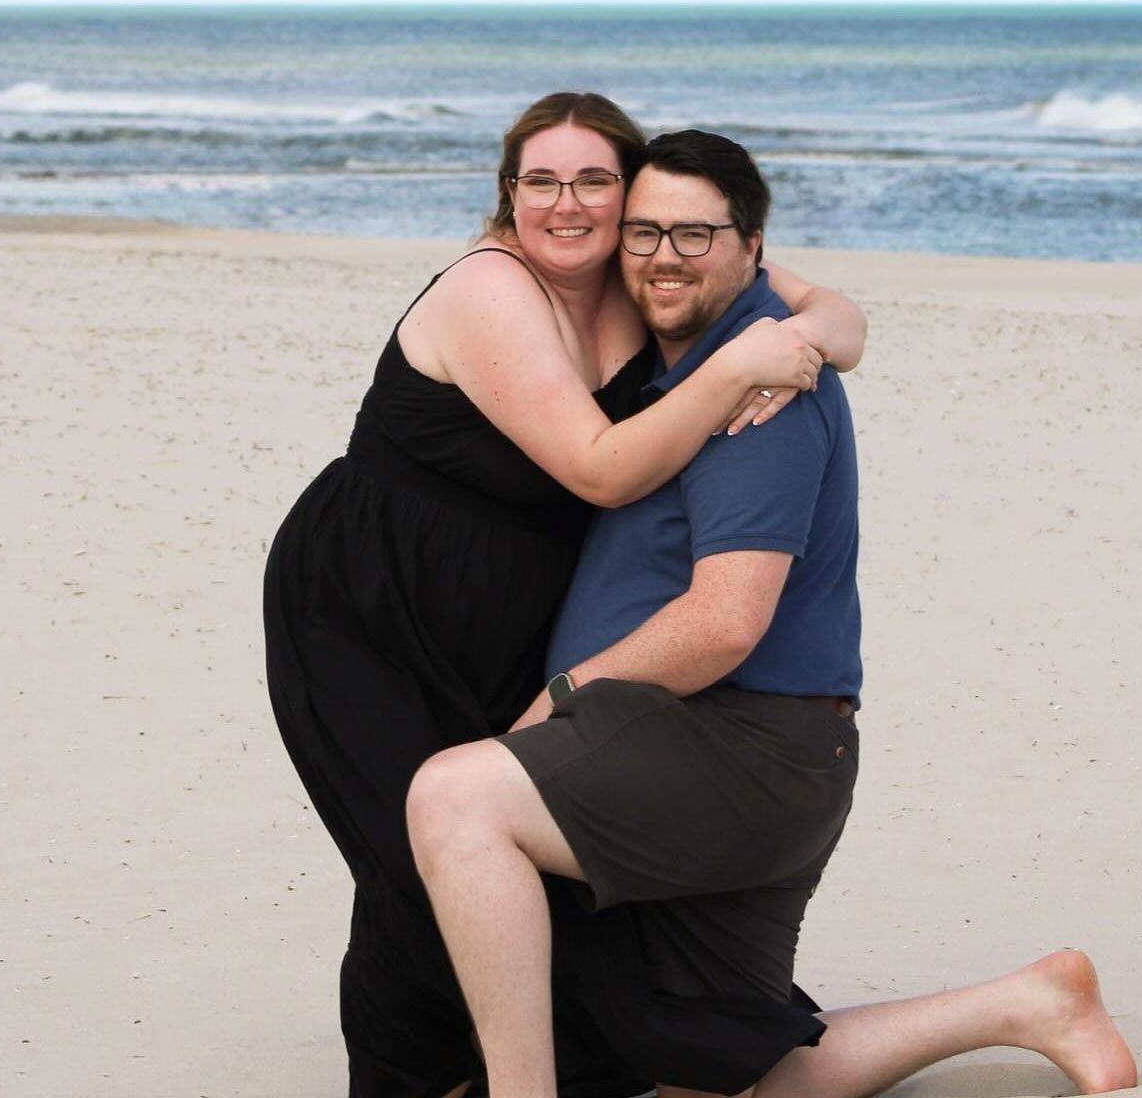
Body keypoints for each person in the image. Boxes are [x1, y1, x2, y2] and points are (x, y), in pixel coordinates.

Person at [407, 130, 1138, 1098]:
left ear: (751, 246)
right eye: (645, 232)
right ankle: (1032, 1004)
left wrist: (565, 693)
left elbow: (725, 622)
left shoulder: (762, 393)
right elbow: (831, 311)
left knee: (455, 800)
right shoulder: (719, 343)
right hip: (748, 752)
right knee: (718, 1075)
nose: (664, 256)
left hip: (744, 748)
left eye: (694, 236)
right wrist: (833, 318)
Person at [263, 93, 869, 1098]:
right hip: (373, 600)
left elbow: (816, 307)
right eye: (539, 181)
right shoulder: (492, 288)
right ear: (508, 195)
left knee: (499, 861)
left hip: (512, 607)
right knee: (409, 856)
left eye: (594, 181)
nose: (567, 204)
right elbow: (597, 469)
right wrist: (735, 374)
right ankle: (411, 1076)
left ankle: (507, 1061)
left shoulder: (642, 281)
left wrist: (817, 338)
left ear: (627, 196)